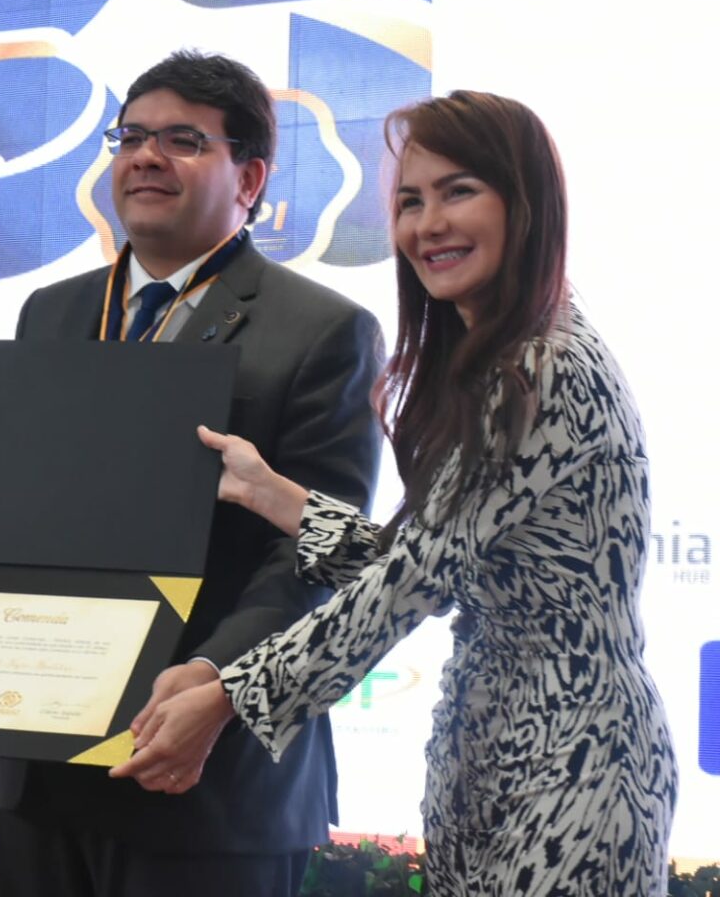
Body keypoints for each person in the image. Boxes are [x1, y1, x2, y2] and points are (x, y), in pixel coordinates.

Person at [115, 90, 678, 895]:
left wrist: (230, 694)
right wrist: (280, 497)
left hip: (576, 768)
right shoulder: (501, 357)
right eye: (410, 201)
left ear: (527, 204)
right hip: (490, 756)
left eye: (459, 191)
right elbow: (435, 567)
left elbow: (408, 588)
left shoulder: (544, 367)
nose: (427, 225)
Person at [0, 50, 385, 895]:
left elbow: (313, 556)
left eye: (184, 140)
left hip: (209, 777)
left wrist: (213, 684)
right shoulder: (50, 314)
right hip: (41, 769)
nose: (146, 157)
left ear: (251, 178)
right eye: (131, 136)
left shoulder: (323, 331)